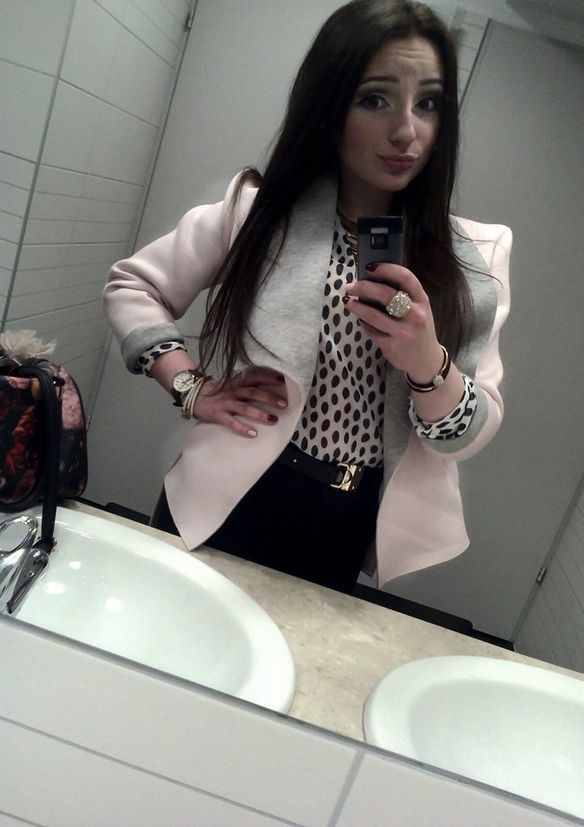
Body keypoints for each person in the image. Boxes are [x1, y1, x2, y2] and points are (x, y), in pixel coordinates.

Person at [103, 0, 511, 594]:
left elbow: (470, 434)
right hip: (231, 493)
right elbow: (134, 286)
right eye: (375, 99)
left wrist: (427, 360)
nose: (407, 130)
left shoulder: (474, 257)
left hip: (348, 520)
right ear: (330, 105)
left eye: (428, 103)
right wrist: (191, 388)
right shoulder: (258, 213)